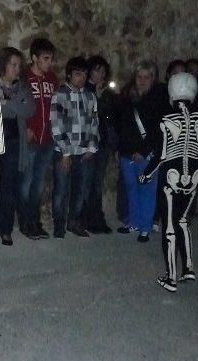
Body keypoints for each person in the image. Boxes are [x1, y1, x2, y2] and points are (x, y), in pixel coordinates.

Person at [139, 72, 198, 292]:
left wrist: (146, 174)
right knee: (183, 221)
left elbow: (162, 155)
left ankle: (171, 277)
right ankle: (188, 268)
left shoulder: (167, 120)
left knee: (169, 225)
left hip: (172, 176)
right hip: (193, 176)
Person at [0, 47, 35, 246]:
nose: (17, 69)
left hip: (14, 143)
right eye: (13, 64)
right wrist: (12, 105)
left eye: (18, 65)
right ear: (3, 64)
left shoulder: (22, 88)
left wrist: (6, 103)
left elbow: (29, 109)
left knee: (9, 188)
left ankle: (6, 229)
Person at [50, 56, 99, 238]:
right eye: (78, 74)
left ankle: (74, 222)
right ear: (69, 75)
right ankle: (59, 224)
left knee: (81, 190)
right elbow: (56, 125)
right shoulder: (60, 95)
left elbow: (94, 123)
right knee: (61, 190)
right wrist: (65, 153)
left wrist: (91, 147)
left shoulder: (90, 96)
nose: (82, 78)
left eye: (85, 75)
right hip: (64, 152)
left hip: (83, 152)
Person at [117, 60, 165, 242]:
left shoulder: (158, 100)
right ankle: (134, 222)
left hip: (146, 154)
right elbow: (122, 124)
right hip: (127, 152)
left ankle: (145, 227)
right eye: (139, 77)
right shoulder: (128, 98)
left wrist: (144, 151)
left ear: (153, 79)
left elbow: (158, 130)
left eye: (147, 77)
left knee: (146, 189)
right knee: (131, 188)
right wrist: (121, 149)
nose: (142, 80)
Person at [21, 38, 58, 239]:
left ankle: (34, 221)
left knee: (39, 184)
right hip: (31, 140)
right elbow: (18, 104)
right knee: (26, 184)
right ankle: (26, 222)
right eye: (45, 58)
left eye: (51, 59)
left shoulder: (52, 80)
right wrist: (26, 127)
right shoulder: (24, 78)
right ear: (34, 57)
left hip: (48, 140)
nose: (49, 63)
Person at [82, 55, 120, 234]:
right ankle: (89, 219)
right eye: (97, 70)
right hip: (89, 143)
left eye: (103, 71)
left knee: (97, 182)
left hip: (103, 142)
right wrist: (96, 97)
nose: (100, 74)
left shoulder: (106, 92)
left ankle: (97, 218)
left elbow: (112, 115)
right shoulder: (83, 89)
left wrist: (110, 96)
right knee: (88, 183)